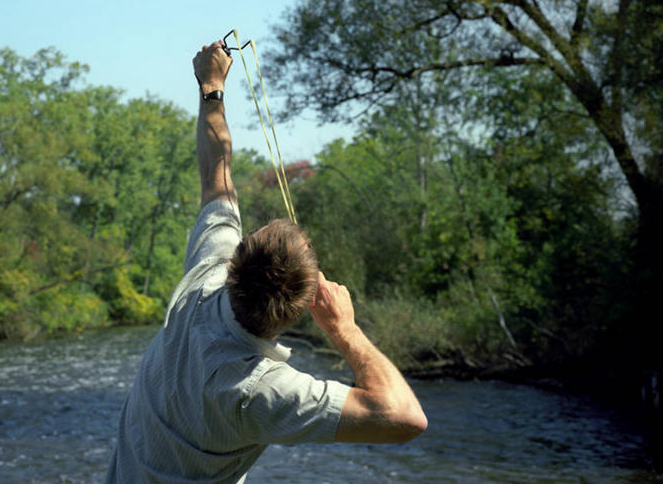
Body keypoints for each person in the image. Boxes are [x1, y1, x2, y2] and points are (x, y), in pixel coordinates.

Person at [104, 40, 427, 483]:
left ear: (236, 259)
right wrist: (345, 329)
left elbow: (217, 175)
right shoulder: (261, 390)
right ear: (298, 312)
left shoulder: (203, 282)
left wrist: (212, 87)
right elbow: (405, 417)